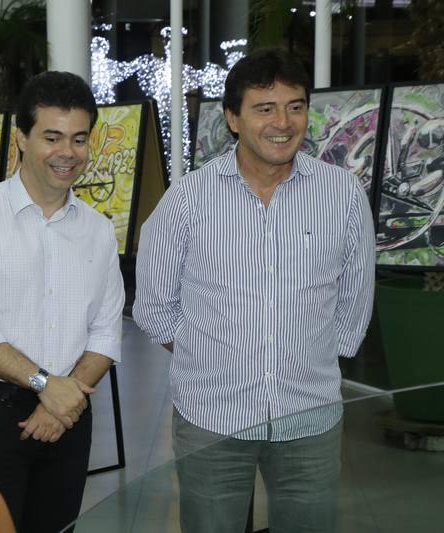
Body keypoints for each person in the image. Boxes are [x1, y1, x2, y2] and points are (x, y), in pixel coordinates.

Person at [133, 48, 375, 533]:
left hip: (309, 415)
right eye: (265, 108)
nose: (283, 123)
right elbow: (154, 305)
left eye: (295, 106)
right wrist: (208, 352)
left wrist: (313, 355)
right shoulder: (188, 198)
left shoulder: (342, 194)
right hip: (211, 417)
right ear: (233, 118)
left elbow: (356, 294)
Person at [0, 71, 124, 533]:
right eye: (52, 137)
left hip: (70, 416)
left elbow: (105, 330)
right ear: (21, 138)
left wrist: (63, 398)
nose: (67, 152)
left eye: (79, 139)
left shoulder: (98, 230)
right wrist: (45, 384)